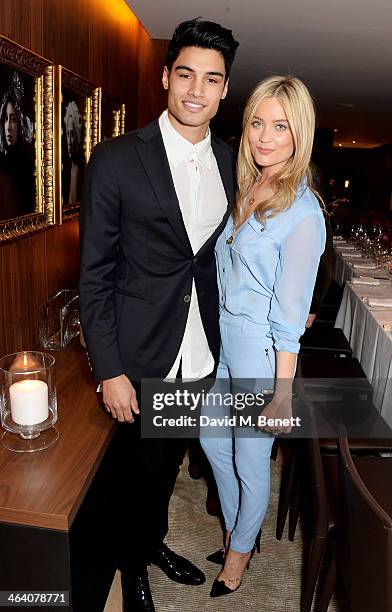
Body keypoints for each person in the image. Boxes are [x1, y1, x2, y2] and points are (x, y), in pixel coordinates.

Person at [79, 18, 239, 612]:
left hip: (200, 348)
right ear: (166, 77)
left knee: (167, 461)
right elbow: (94, 275)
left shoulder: (232, 164)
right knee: (130, 473)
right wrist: (109, 369)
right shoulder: (117, 159)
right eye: (187, 75)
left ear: (225, 90)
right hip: (137, 351)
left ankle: (150, 542)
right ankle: (131, 565)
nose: (197, 91)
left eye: (213, 80)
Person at [200, 75, 326, 597]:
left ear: (300, 135)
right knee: (210, 440)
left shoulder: (304, 212)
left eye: (281, 126)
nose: (265, 136)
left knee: (250, 460)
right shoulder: (249, 187)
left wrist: (282, 393)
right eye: (257, 122)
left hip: (257, 350)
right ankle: (237, 528)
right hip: (221, 344)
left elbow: (291, 313)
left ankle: (241, 550)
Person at [0, 70, 35, 219]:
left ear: (20, 124)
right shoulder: (2, 166)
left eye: (13, 119)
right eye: (5, 119)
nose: (8, 126)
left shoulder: (28, 166)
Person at [63, 100, 83, 204]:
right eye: (67, 134)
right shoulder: (63, 171)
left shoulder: (83, 171)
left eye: (72, 134)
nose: (69, 141)